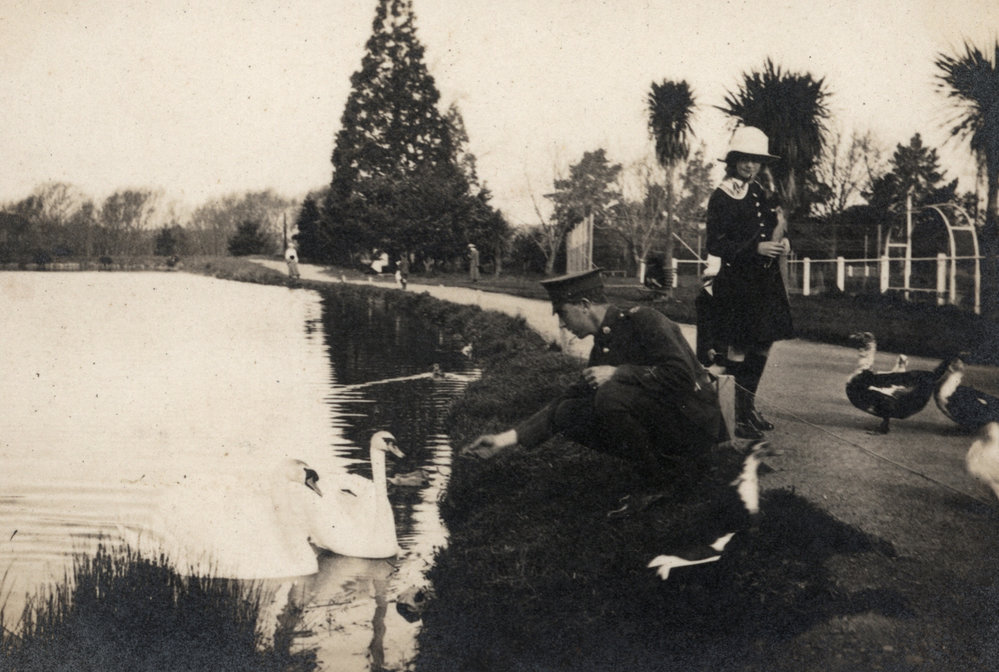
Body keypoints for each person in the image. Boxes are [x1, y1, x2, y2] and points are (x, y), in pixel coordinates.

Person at [463, 269, 728, 513]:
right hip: (671, 421)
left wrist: (619, 373)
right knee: (569, 411)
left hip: (696, 424)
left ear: (584, 306)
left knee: (609, 396)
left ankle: (661, 481)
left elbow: (681, 375)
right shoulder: (604, 343)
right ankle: (662, 466)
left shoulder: (644, 320)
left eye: (564, 314)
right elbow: (568, 398)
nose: (564, 325)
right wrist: (503, 440)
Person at [705, 126, 794, 440]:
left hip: (764, 283)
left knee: (762, 345)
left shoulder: (759, 193)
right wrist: (753, 248)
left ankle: (748, 408)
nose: (750, 165)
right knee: (739, 348)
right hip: (738, 284)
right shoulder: (722, 196)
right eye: (744, 159)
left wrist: (784, 245)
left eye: (755, 160)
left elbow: (773, 230)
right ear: (733, 160)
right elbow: (715, 244)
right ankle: (736, 416)